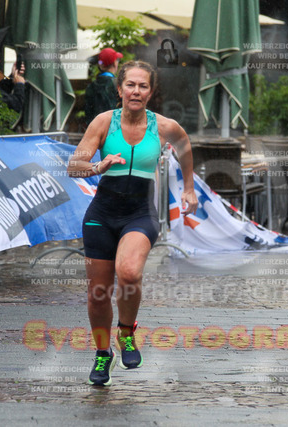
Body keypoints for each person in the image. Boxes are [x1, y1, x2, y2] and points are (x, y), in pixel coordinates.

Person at [67, 60, 198, 386]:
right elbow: (73, 166)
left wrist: (189, 188)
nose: (136, 91)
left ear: (151, 92)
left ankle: (126, 333)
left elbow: (184, 147)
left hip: (140, 214)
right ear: (120, 89)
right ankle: (103, 353)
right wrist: (98, 167)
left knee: (128, 272)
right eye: (130, 85)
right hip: (101, 216)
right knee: (98, 293)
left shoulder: (164, 126)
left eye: (143, 86)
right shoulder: (103, 122)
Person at [84, 48, 123, 126]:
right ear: (115, 63)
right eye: (117, 60)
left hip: (95, 128)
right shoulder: (118, 85)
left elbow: (88, 113)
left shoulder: (91, 86)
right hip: (114, 129)